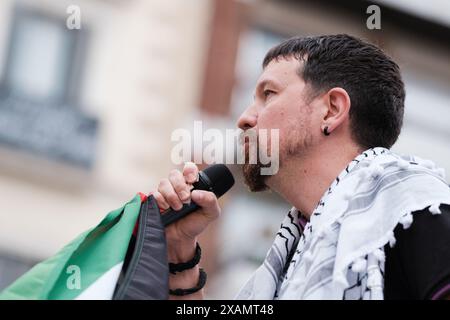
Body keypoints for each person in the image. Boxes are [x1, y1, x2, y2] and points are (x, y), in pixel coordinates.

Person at [152, 34, 450, 300]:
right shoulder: (290, 258)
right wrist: (180, 252)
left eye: (268, 94)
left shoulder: (416, 213)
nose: (244, 118)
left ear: (331, 110)